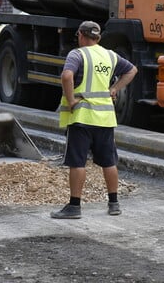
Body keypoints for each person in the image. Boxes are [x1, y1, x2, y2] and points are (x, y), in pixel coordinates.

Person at [51, 20, 137, 219]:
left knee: (77, 162)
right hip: (105, 118)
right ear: (97, 37)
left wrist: (71, 99)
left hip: (82, 118)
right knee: (109, 161)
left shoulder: (77, 54)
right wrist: (114, 88)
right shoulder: (110, 55)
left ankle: (74, 207)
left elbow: (66, 76)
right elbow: (132, 70)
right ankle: (114, 203)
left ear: (81, 35)